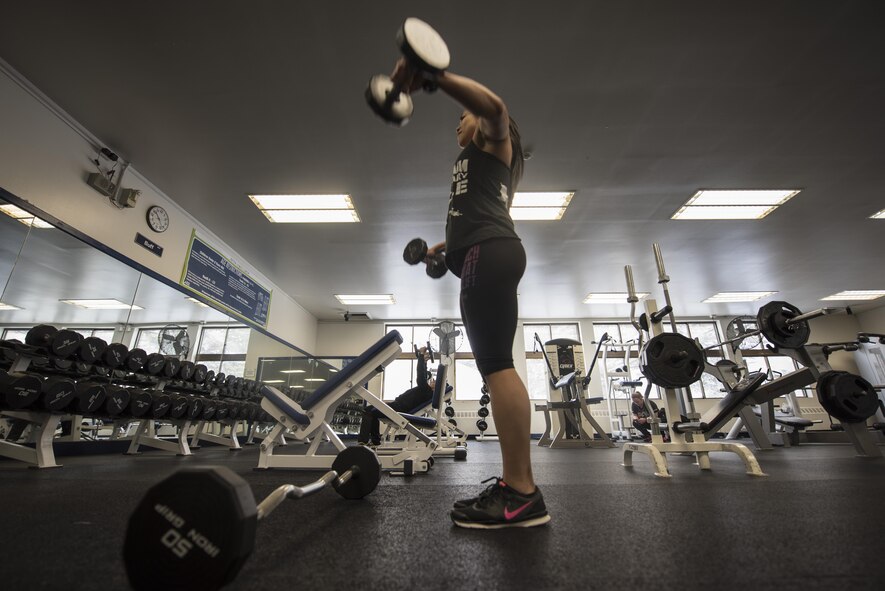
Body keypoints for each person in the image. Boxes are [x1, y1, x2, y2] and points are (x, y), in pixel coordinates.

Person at [390, 59, 549, 529]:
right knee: (497, 365)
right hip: (484, 251)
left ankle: (520, 492)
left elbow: (495, 108)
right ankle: (516, 487)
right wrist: (438, 252)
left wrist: (435, 79)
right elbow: (477, 215)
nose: (457, 122)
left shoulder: (491, 140)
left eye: (462, 115)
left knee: (497, 367)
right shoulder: (481, 167)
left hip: (489, 254)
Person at [358, 347, 435, 446]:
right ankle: (375, 441)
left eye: (435, 382)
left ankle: (363, 441)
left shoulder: (426, 391)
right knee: (370, 410)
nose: (432, 380)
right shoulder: (426, 390)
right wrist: (424, 362)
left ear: (435, 388)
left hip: (399, 409)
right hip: (397, 406)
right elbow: (423, 375)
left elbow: (421, 376)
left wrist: (420, 356)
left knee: (370, 411)